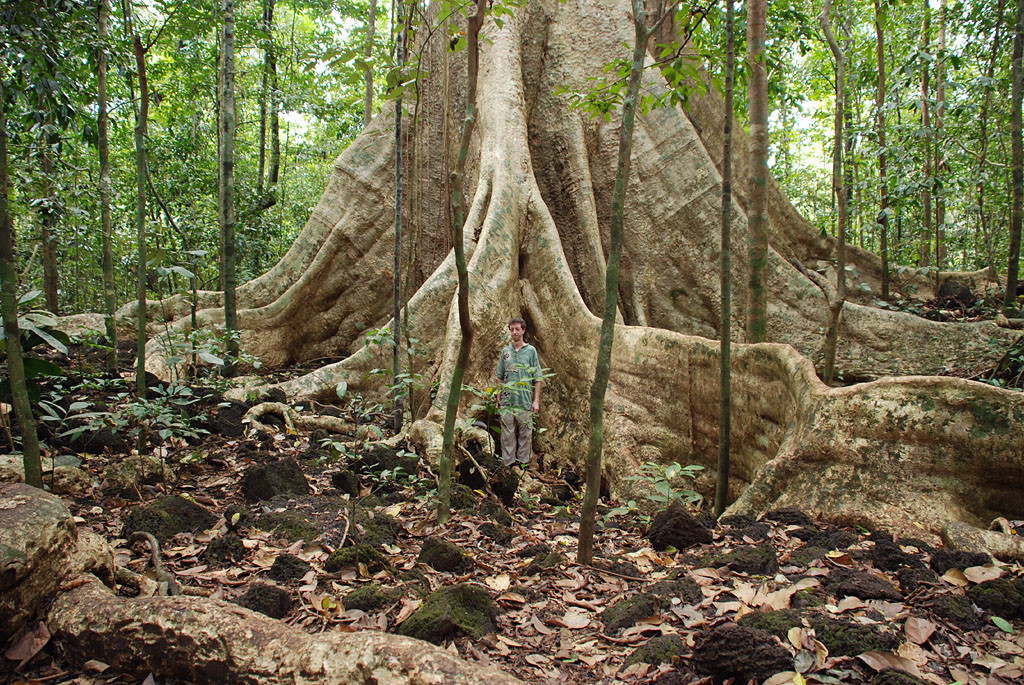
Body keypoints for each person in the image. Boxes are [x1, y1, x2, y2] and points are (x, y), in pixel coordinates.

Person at [495, 317, 541, 468]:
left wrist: (536, 401)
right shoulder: (505, 351)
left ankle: (522, 467)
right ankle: (508, 466)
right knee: (507, 435)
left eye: (517, 329)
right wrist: (498, 396)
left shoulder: (531, 351)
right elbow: (499, 376)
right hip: (507, 401)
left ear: (523, 330)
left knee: (525, 435)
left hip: (525, 400)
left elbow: (538, 377)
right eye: (512, 329)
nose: (514, 332)